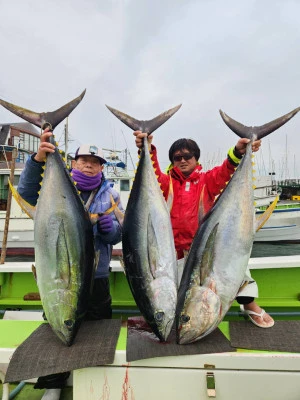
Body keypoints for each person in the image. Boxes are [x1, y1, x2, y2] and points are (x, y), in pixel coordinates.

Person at [17, 128, 124, 400]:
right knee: (55, 330)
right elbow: (27, 192)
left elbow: (117, 236)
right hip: (57, 276)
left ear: (102, 167)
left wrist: (111, 230)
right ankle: (54, 382)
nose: (89, 165)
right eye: (84, 160)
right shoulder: (55, 184)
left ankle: (93, 381)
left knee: (98, 330)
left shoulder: (111, 194)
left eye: (95, 162)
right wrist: (38, 159)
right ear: (74, 163)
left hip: (97, 276)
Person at [134, 130, 274, 329]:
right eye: (177, 157)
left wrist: (238, 152)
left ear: (196, 158)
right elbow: (153, 173)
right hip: (173, 252)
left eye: (187, 156)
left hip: (203, 249)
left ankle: (249, 305)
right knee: (172, 294)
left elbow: (226, 170)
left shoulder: (207, 181)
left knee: (238, 274)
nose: (182, 160)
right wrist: (147, 149)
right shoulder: (167, 184)